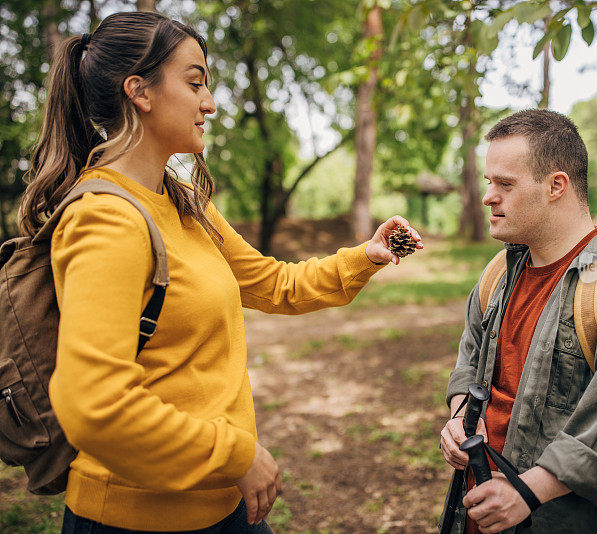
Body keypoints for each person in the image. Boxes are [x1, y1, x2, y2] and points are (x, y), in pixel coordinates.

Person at [18, 11, 422, 534]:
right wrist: (234, 454)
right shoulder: (105, 218)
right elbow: (93, 403)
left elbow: (275, 284)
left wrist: (363, 257)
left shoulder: (186, 205)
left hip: (221, 504)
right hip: (138, 518)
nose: (209, 102)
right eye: (194, 83)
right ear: (139, 91)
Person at [439, 109, 597, 534]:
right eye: (489, 182)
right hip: (477, 515)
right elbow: (470, 363)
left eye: (505, 184)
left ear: (556, 186)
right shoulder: (498, 273)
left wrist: (527, 492)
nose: (488, 196)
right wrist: (460, 417)